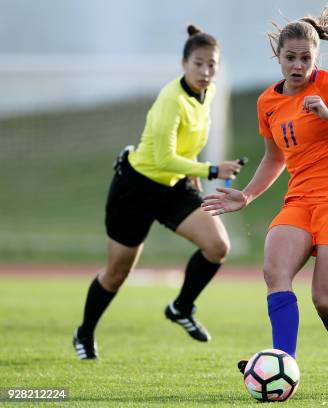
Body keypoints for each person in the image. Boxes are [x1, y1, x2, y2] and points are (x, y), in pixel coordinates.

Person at [201, 7, 328, 395]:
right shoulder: (268, 101)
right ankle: (285, 365)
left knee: (324, 300)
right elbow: (274, 157)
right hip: (299, 198)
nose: (297, 66)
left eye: (305, 59)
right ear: (278, 57)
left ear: (316, 58)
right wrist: (246, 195)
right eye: (290, 58)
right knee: (274, 273)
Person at [72, 25, 243, 360]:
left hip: (174, 185)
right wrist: (210, 170)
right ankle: (85, 333)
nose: (206, 71)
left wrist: (192, 169)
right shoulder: (171, 99)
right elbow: (163, 157)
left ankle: (181, 307)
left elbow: (185, 144)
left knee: (218, 246)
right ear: (183, 64)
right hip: (136, 188)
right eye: (199, 64)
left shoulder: (206, 94)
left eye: (212, 65)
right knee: (117, 273)